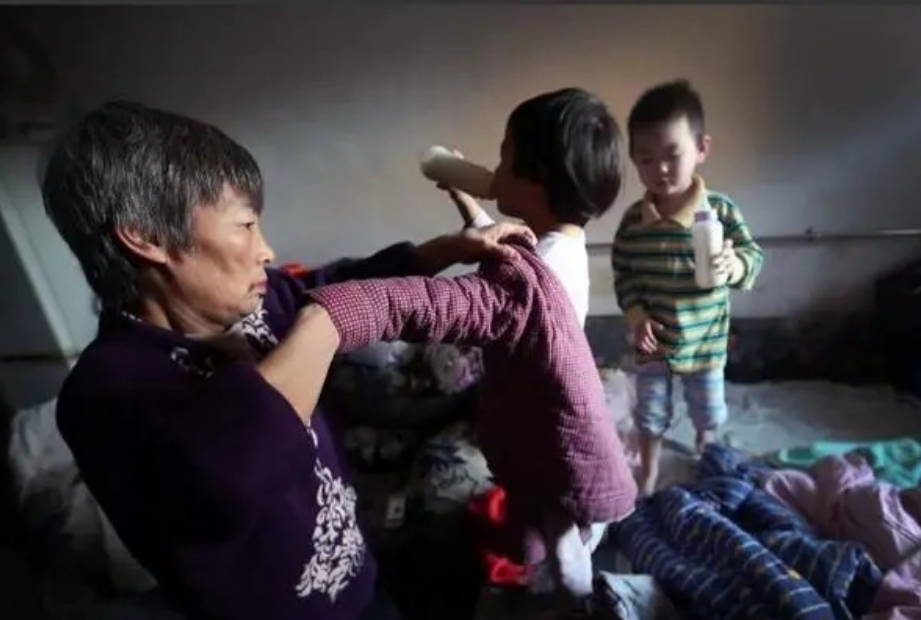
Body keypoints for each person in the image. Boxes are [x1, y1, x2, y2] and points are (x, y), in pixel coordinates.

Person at [40, 100, 533, 620]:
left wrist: (443, 251)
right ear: (145, 237)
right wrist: (326, 323)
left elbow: (331, 286)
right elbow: (233, 478)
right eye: (245, 225)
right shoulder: (105, 393)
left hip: (362, 586)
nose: (267, 250)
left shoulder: (257, 303)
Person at [303, 234, 637, 612]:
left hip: (542, 451)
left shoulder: (521, 281)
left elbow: (422, 305)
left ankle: (574, 598)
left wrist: (331, 315)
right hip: (517, 437)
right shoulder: (551, 260)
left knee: (559, 546)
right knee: (542, 533)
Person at [611, 79, 765, 495]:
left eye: (671, 155)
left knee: (708, 411)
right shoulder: (633, 223)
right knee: (649, 414)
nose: (659, 169)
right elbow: (624, 274)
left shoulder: (721, 211)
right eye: (646, 159)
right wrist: (635, 315)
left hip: (705, 342)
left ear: (701, 149)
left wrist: (735, 265)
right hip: (653, 341)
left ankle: (704, 450)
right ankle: (648, 470)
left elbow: (754, 257)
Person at [437, 87, 623, 327]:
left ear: (538, 178)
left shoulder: (538, 271)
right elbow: (501, 247)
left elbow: (469, 311)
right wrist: (465, 200)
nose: (496, 170)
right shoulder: (562, 247)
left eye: (504, 158)